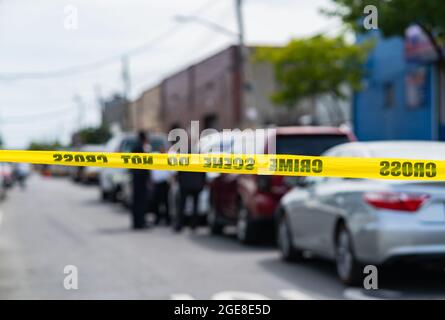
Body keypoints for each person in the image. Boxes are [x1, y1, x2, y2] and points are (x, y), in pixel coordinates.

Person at [130, 131, 151, 230]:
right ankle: (140, 222)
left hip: (136, 179)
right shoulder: (140, 149)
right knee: (140, 202)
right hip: (140, 180)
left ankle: (137, 222)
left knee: (137, 201)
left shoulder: (136, 148)